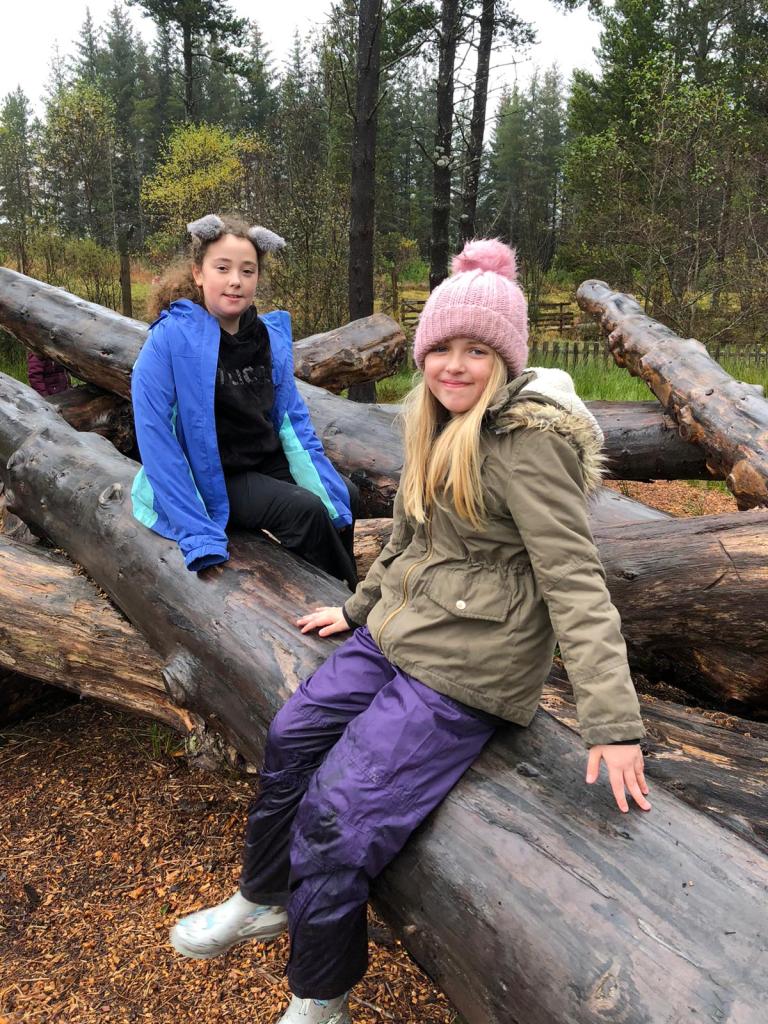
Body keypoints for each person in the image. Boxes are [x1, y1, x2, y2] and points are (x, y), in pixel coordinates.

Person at [168, 239, 650, 1024]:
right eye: (442, 349)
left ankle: (319, 997)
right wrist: (359, 608)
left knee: (336, 819)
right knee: (291, 733)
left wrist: (613, 723)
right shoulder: (434, 419)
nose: (454, 366)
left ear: (506, 360)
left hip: (468, 665)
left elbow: (574, 580)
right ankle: (264, 896)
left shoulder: (530, 446)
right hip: (401, 629)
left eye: (477, 351)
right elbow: (409, 535)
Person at [131, 213, 357, 586]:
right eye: (222, 268)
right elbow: (157, 439)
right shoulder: (169, 340)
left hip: (262, 460)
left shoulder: (266, 337)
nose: (235, 280)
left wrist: (326, 487)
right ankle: (337, 600)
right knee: (305, 511)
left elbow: (292, 420)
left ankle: (343, 592)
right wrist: (197, 531)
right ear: (198, 273)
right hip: (212, 474)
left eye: (247, 271)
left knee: (344, 494)